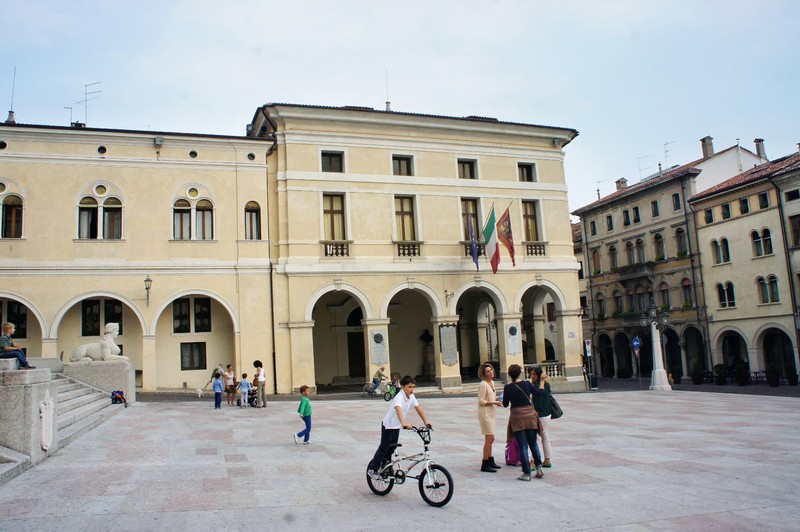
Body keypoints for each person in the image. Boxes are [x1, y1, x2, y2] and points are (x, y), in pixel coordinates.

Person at [367, 375, 431, 479]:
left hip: (396, 426)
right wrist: (404, 423)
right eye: (409, 387)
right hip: (388, 425)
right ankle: (372, 469)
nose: (412, 389)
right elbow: (398, 409)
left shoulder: (411, 397)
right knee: (384, 448)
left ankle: (385, 466)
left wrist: (426, 422)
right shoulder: (399, 397)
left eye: (413, 387)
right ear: (402, 386)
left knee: (392, 448)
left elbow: (418, 408)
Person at [502, 364, 545, 481]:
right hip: (530, 416)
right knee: (533, 443)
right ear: (520, 373)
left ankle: (526, 474)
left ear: (509, 375)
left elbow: (505, 404)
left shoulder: (508, 387)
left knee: (522, 446)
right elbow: (539, 393)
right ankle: (539, 468)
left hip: (517, 418)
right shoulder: (526, 384)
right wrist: (542, 381)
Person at [478, 362, 503, 472]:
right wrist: (494, 402)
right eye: (488, 371)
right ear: (484, 374)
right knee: (490, 437)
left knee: (489, 438)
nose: (491, 372)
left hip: (491, 412)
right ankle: (485, 463)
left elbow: (492, 396)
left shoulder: (492, 383)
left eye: (491, 370)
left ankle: (490, 459)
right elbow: (481, 401)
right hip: (485, 413)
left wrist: (498, 399)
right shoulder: (483, 384)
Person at [529, 366, 553, 468]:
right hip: (546, 414)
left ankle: (533, 461)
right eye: (531, 374)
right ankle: (547, 459)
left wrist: (535, 412)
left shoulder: (539, 385)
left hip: (541, 414)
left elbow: (538, 403)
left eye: (534, 374)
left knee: (536, 438)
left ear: (539, 375)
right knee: (545, 436)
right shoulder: (545, 384)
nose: (532, 376)